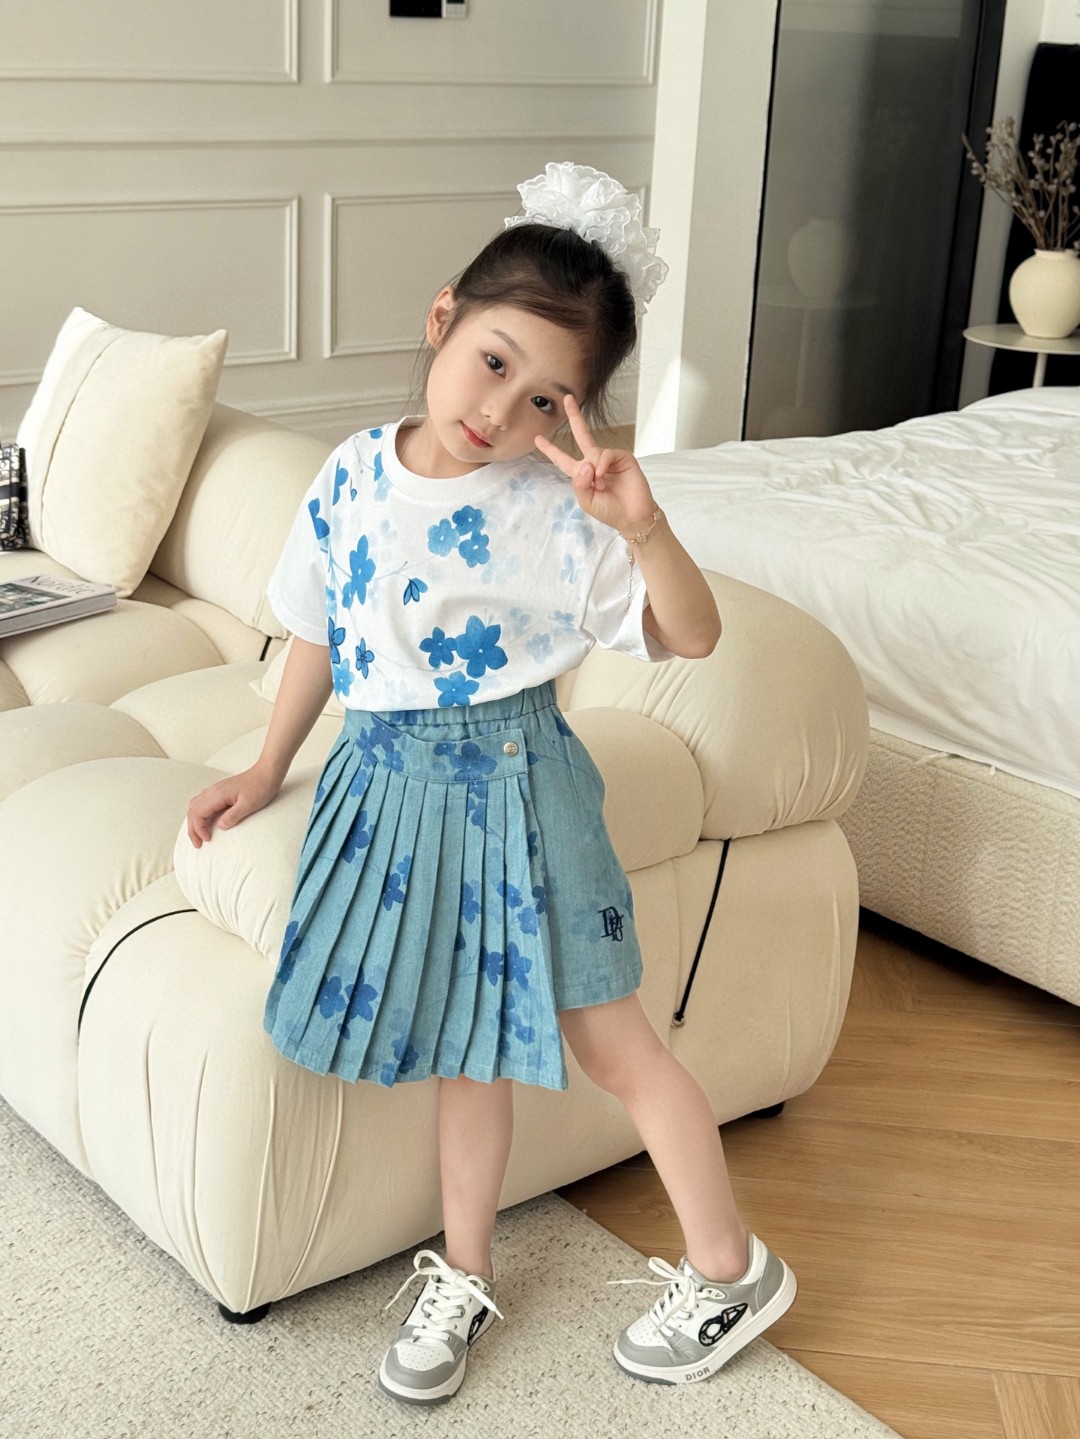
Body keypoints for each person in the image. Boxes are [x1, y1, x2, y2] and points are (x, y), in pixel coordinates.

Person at [185, 162, 796, 1405]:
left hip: (522, 787)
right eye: (495, 361)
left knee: (615, 1042)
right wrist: (265, 763)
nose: (502, 409)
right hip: (386, 784)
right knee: (466, 1050)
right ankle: (464, 1272)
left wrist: (642, 526)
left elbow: (694, 634)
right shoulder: (351, 472)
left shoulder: (559, 514)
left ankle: (732, 1267)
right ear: (443, 317)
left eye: (547, 397)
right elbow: (318, 629)